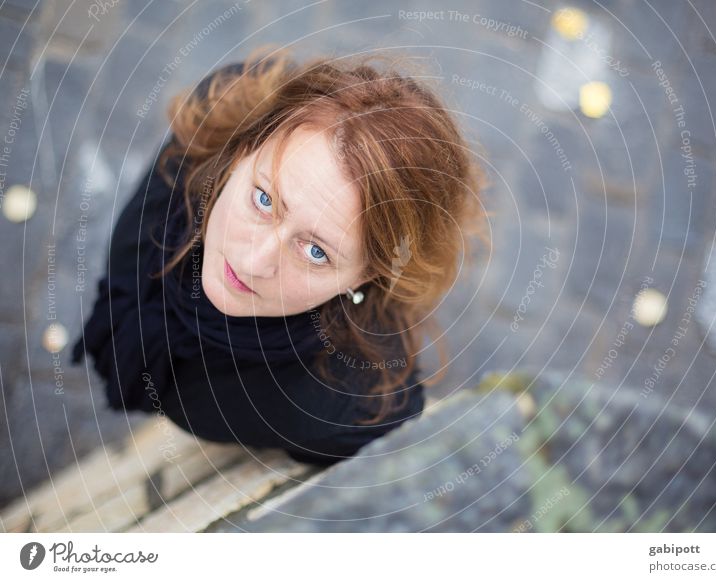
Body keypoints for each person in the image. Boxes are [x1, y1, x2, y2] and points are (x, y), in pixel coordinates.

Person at [71, 45, 488, 466]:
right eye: (264, 199)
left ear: (364, 277)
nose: (252, 262)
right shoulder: (222, 106)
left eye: (315, 251)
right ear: (241, 151)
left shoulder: (335, 406)